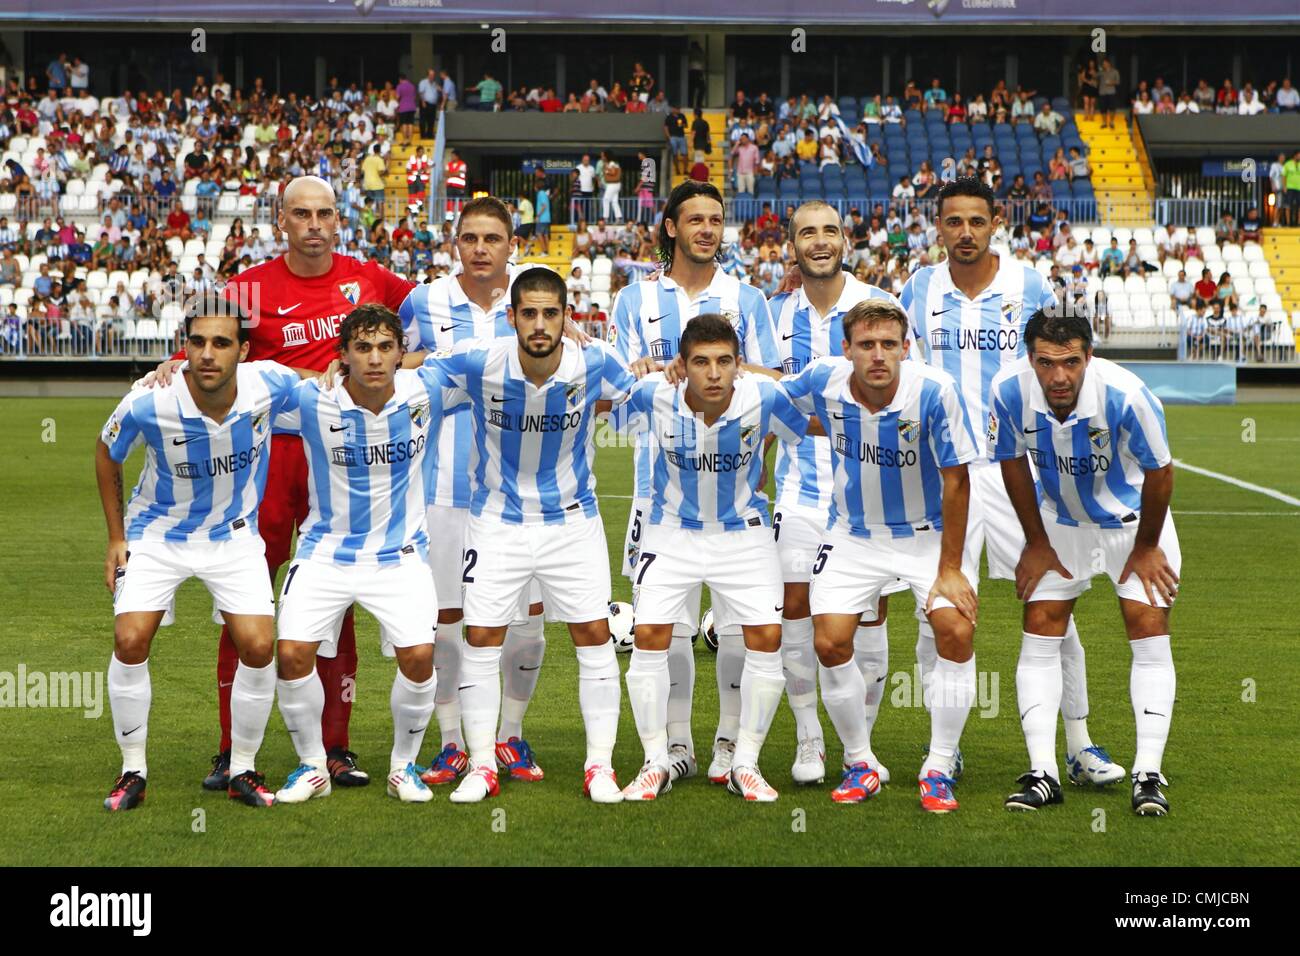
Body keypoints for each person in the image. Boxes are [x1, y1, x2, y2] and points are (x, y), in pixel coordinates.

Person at [145, 176, 416, 792]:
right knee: (244, 604)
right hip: (264, 464)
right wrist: (171, 363)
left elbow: (439, 335)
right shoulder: (246, 290)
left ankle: (334, 747)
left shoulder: (372, 279)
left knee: (336, 599)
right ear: (280, 221)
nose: (315, 224)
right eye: (302, 214)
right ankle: (231, 751)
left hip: (344, 464)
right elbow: (206, 354)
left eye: (325, 213)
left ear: (338, 219)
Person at [900, 177, 1121, 788]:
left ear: (996, 222)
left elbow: (1058, 365)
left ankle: (1076, 745)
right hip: (943, 474)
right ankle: (942, 745)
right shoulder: (917, 288)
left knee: (1054, 606)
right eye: (953, 222)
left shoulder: (1028, 284)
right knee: (937, 613)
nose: (965, 233)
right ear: (937, 226)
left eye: (976, 221)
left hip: (1016, 471)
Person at [417, 267, 638, 804]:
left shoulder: (597, 362)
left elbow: (648, 391)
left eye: (551, 313)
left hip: (572, 523)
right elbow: (413, 373)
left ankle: (600, 767)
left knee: (592, 636)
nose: (540, 324)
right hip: (494, 523)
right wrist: (346, 368)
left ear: (568, 319)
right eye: (530, 313)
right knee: (482, 639)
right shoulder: (479, 360)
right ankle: (482, 765)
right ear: (511, 316)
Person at [97, 297, 310, 811]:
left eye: (221, 343)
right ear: (184, 346)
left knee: (260, 647)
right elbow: (107, 453)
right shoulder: (150, 399)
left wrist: (402, 362)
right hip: (156, 534)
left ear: (243, 350)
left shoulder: (268, 384)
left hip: (233, 536)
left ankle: (242, 768)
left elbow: (326, 378)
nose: (208, 354)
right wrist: (115, 537)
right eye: (197, 343)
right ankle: (132, 771)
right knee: (130, 639)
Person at [773, 299, 978, 810]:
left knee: (954, 630)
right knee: (830, 643)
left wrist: (950, 568)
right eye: (866, 345)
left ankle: (939, 763)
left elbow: (958, 480)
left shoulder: (934, 391)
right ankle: (860, 760)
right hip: (853, 534)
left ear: (907, 348)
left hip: (926, 536)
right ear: (847, 350)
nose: (878, 355)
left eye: (889, 344)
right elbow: (765, 400)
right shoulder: (823, 379)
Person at [608, 179, 780, 787]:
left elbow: (771, 376)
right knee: (668, 625)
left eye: (716, 219)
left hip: (737, 491)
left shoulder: (749, 299)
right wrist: (661, 370)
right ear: (672, 228)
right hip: (659, 493)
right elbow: (621, 381)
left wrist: (714, 367)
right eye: (696, 219)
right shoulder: (635, 299)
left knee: (740, 626)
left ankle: (731, 746)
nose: (708, 229)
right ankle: (675, 746)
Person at [271, 304, 465, 806]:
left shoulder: (428, 391)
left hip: (400, 555)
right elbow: (245, 378)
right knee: (291, 655)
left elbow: (492, 355)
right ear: (343, 356)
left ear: (403, 353)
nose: (374, 359)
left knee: (420, 657)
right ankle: (312, 764)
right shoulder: (313, 400)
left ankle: (404, 767)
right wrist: (173, 368)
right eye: (362, 348)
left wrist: (571, 333)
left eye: (385, 347)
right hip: (324, 553)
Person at [608, 316, 809, 802]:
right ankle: (656, 760)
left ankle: (746, 762)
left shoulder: (763, 396)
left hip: (743, 535)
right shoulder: (653, 394)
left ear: (739, 364)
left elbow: (811, 412)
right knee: (651, 638)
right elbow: (600, 397)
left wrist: (764, 443)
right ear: (684, 364)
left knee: (765, 641)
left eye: (724, 361)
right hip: (671, 531)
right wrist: (642, 369)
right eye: (701, 362)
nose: (714, 373)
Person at [990, 310, 1179, 816]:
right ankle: (1043, 773)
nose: (1058, 376)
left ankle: (1148, 775)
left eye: (1071, 362)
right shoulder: (1008, 390)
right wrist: (1034, 541)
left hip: (1131, 524)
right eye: (1046, 363)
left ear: (1088, 358)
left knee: (1148, 632)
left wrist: (1146, 548)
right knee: (1039, 632)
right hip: (1060, 523)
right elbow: (1011, 460)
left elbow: (1161, 473)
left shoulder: (1128, 396)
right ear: (1030, 360)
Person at [396, 196, 552, 785]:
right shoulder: (424, 300)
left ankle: (510, 735)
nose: (481, 248)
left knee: (526, 622)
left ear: (512, 244)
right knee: (445, 622)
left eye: (493, 238)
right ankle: (453, 740)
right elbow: (390, 362)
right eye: (470, 238)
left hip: (519, 494)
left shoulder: (538, 297)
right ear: (454, 243)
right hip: (439, 488)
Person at [766, 200, 907, 786]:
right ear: (791, 245)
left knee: (867, 619)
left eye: (829, 231)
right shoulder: (773, 314)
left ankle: (861, 744)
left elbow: (902, 393)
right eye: (806, 233)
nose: (819, 241)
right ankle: (808, 739)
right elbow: (765, 399)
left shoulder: (879, 308)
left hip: (868, 494)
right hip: (799, 490)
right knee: (796, 615)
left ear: (845, 240)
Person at [1097, 58, 1121, 129]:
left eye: (1104, 63)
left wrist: (1111, 83)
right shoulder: (1101, 72)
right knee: (1103, 108)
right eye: (1103, 64)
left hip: (1111, 92)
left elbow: (1118, 82)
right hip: (1102, 93)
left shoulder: (1115, 71)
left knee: (1112, 108)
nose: (1104, 65)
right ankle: (1104, 122)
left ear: (1108, 63)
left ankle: (1111, 122)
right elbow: (1095, 76)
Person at [601, 151, 623, 222]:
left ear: (606, 156)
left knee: (605, 200)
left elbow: (613, 172)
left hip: (612, 184)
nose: (602, 157)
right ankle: (618, 217)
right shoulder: (613, 163)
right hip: (616, 185)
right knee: (614, 201)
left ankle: (605, 218)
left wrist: (606, 171)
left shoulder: (611, 163)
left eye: (603, 156)